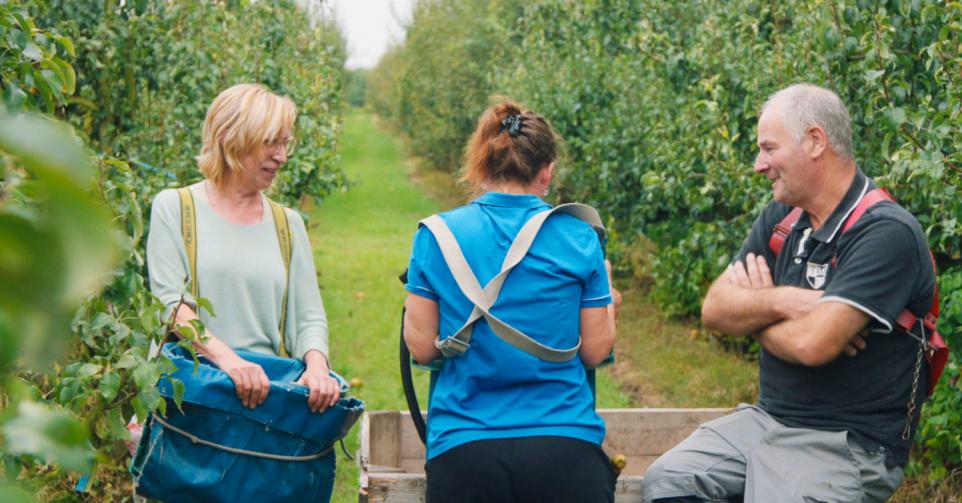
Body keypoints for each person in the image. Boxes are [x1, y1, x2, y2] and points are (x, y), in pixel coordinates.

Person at [641, 84, 936, 502]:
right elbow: (715, 309)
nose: (759, 164)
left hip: (847, 443)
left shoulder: (886, 233)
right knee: (669, 480)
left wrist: (754, 315)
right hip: (767, 422)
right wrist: (786, 301)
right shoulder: (784, 217)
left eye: (768, 148)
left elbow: (813, 344)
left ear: (815, 141)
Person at [403, 99, 622, 502]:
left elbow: (420, 347)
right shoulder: (580, 237)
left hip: (465, 449)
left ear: (482, 166)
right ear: (548, 172)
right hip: (565, 446)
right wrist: (607, 297)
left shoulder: (436, 237)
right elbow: (594, 351)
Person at [146, 83, 339, 413]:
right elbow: (171, 305)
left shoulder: (287, 224)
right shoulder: (176, 208)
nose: (281, 156)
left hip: (260, 399)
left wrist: (317, 368)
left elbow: (309, 317)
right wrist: (230, 362)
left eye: (285, 142)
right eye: (270, 143)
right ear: (230, 139)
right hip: (190, 396)